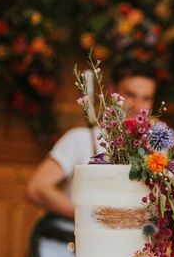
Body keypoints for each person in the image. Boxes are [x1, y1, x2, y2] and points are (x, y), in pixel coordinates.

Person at [25, 60, 158, 219]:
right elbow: (37, 188)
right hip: (80, 238)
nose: (138, 106)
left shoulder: (154, 151)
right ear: (112, 92)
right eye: (130, 95)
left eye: (146, 98)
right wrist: (89, 218)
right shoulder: (82, 139)